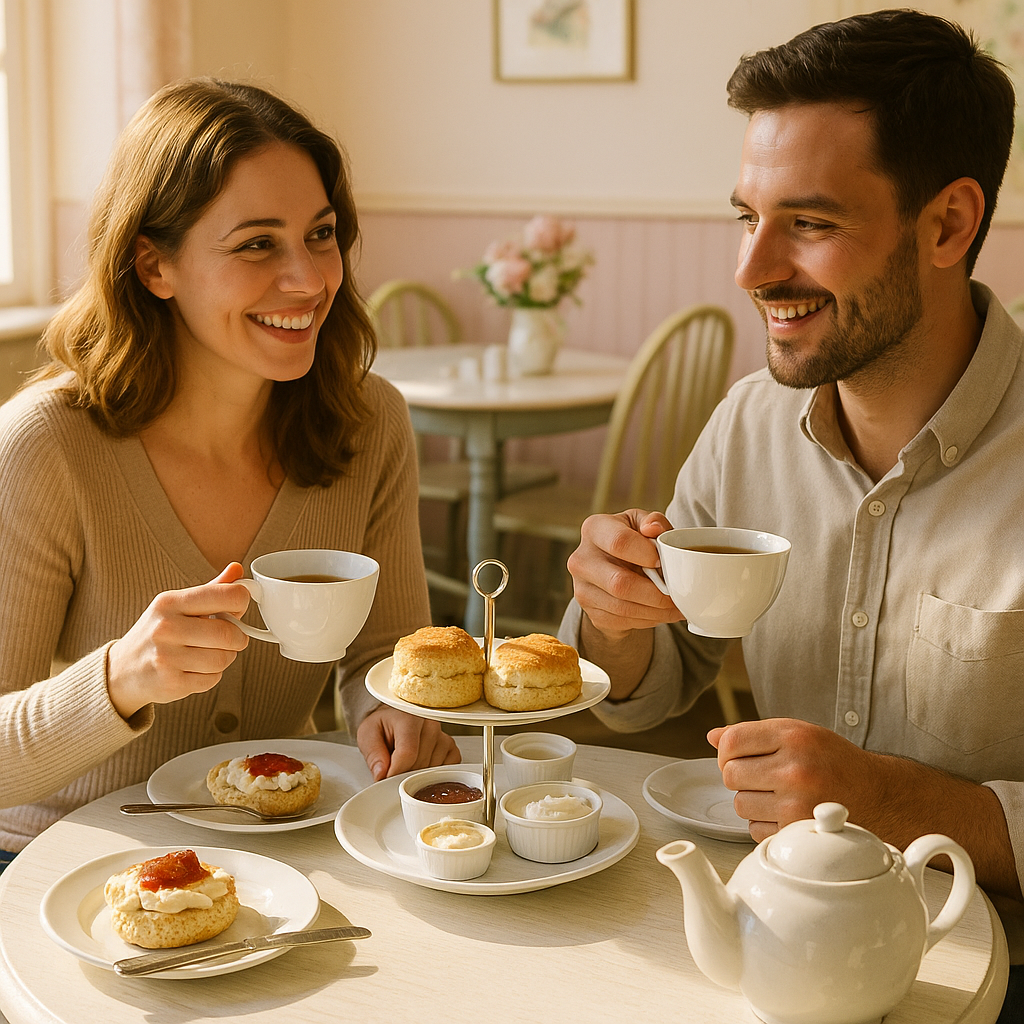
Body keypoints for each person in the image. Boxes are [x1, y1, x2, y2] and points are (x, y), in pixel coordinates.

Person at [560, 8, 1024, 1003]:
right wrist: (613, 611)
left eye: (808, 224)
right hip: (774, 945)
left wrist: (893, 798)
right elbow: (648, 687)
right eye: (746, 216)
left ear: (946, 223)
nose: (750, 269)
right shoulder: (745, 424)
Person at [0, 78, 459, 862]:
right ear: (154, 265)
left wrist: (392, 714)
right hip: (61, 865)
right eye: (256, 244)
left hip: (283, 856)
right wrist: (117, 679)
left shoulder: (370, 421)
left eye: (320, 235)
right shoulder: (46, 445)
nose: (309, 280)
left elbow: (382, 657)